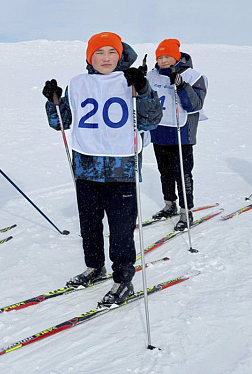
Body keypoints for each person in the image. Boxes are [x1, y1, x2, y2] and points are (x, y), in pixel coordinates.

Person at [42, 32, 161, 305]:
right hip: (85, 168)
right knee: (90, 226)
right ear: (89, 57)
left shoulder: (131, 80)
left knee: (120, 230)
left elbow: (152, 119)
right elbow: (61, 122)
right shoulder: (78, 84)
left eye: (111, 52)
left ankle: (123, 280)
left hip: (122, 169)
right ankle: (95, 267)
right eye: (99, 52)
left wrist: (142, 90)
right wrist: (54, 101)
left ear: (119, 54)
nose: (105, 58)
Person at [146, 39, 208, 231]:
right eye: (160, 57)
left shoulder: (193, 76)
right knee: (164, 171)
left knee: (182, 173)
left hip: (181, 133)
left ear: (177, 56)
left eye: (167, 56)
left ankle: (186, 211)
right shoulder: (152, 75)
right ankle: (169, 204)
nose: (163, 61)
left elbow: (195, 105)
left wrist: (181, 85)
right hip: (159, 130)